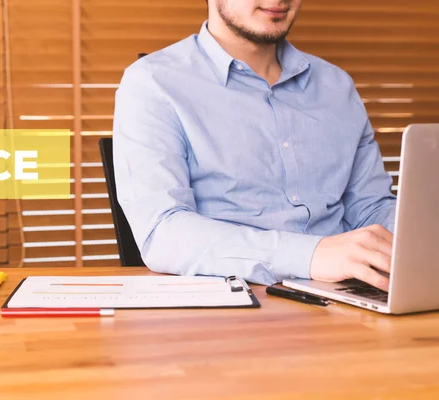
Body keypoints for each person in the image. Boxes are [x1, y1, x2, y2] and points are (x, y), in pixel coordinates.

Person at [112, 0, 396, 291]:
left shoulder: (336, 85)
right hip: (231, 305)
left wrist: (420, 235)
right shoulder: (152, 82)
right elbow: (163, 233)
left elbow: (371, 208)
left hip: (350, 295)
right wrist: (310, 255)